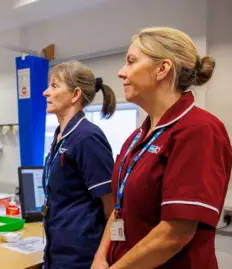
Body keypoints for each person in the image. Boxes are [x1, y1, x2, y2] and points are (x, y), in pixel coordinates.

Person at [91, 27, 232, 269]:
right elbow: (118, 209)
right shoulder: (137, 138)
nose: (121, 73)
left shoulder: (199, 130)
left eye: (131, 62)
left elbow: (175, 233)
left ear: (162, 69)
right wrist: (100, 258)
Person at [42, 61, 117, 269]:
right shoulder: (61, 135)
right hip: (57, 250)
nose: (45, 92)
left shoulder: (87, 137)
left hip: (82, 255)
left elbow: (112, 207)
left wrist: (104, 256)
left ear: (75, 95)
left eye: (54, 86)